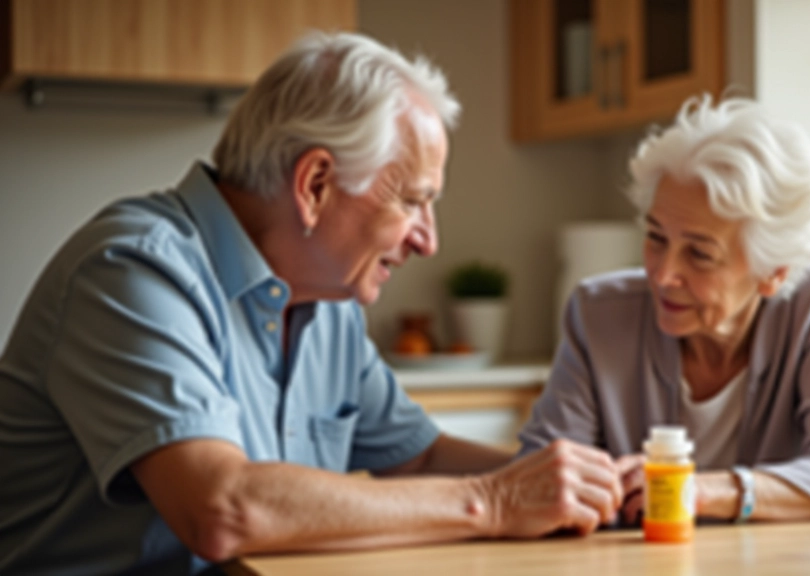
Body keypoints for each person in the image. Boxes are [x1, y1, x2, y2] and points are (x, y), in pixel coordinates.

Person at [0, 32, 623, 575]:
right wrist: (496, 502)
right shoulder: (133, 272)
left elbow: (420, 459)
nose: (428, 240)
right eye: (412, 200)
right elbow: (222, 508)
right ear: (315, 184)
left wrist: (580, 488)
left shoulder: (327, 303)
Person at [518, 95, 810, 524]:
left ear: (772, 273)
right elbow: (539, 483)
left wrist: (704, 490)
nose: (662, 275)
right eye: (656, 238)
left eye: (699, 254)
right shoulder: (598, 314)